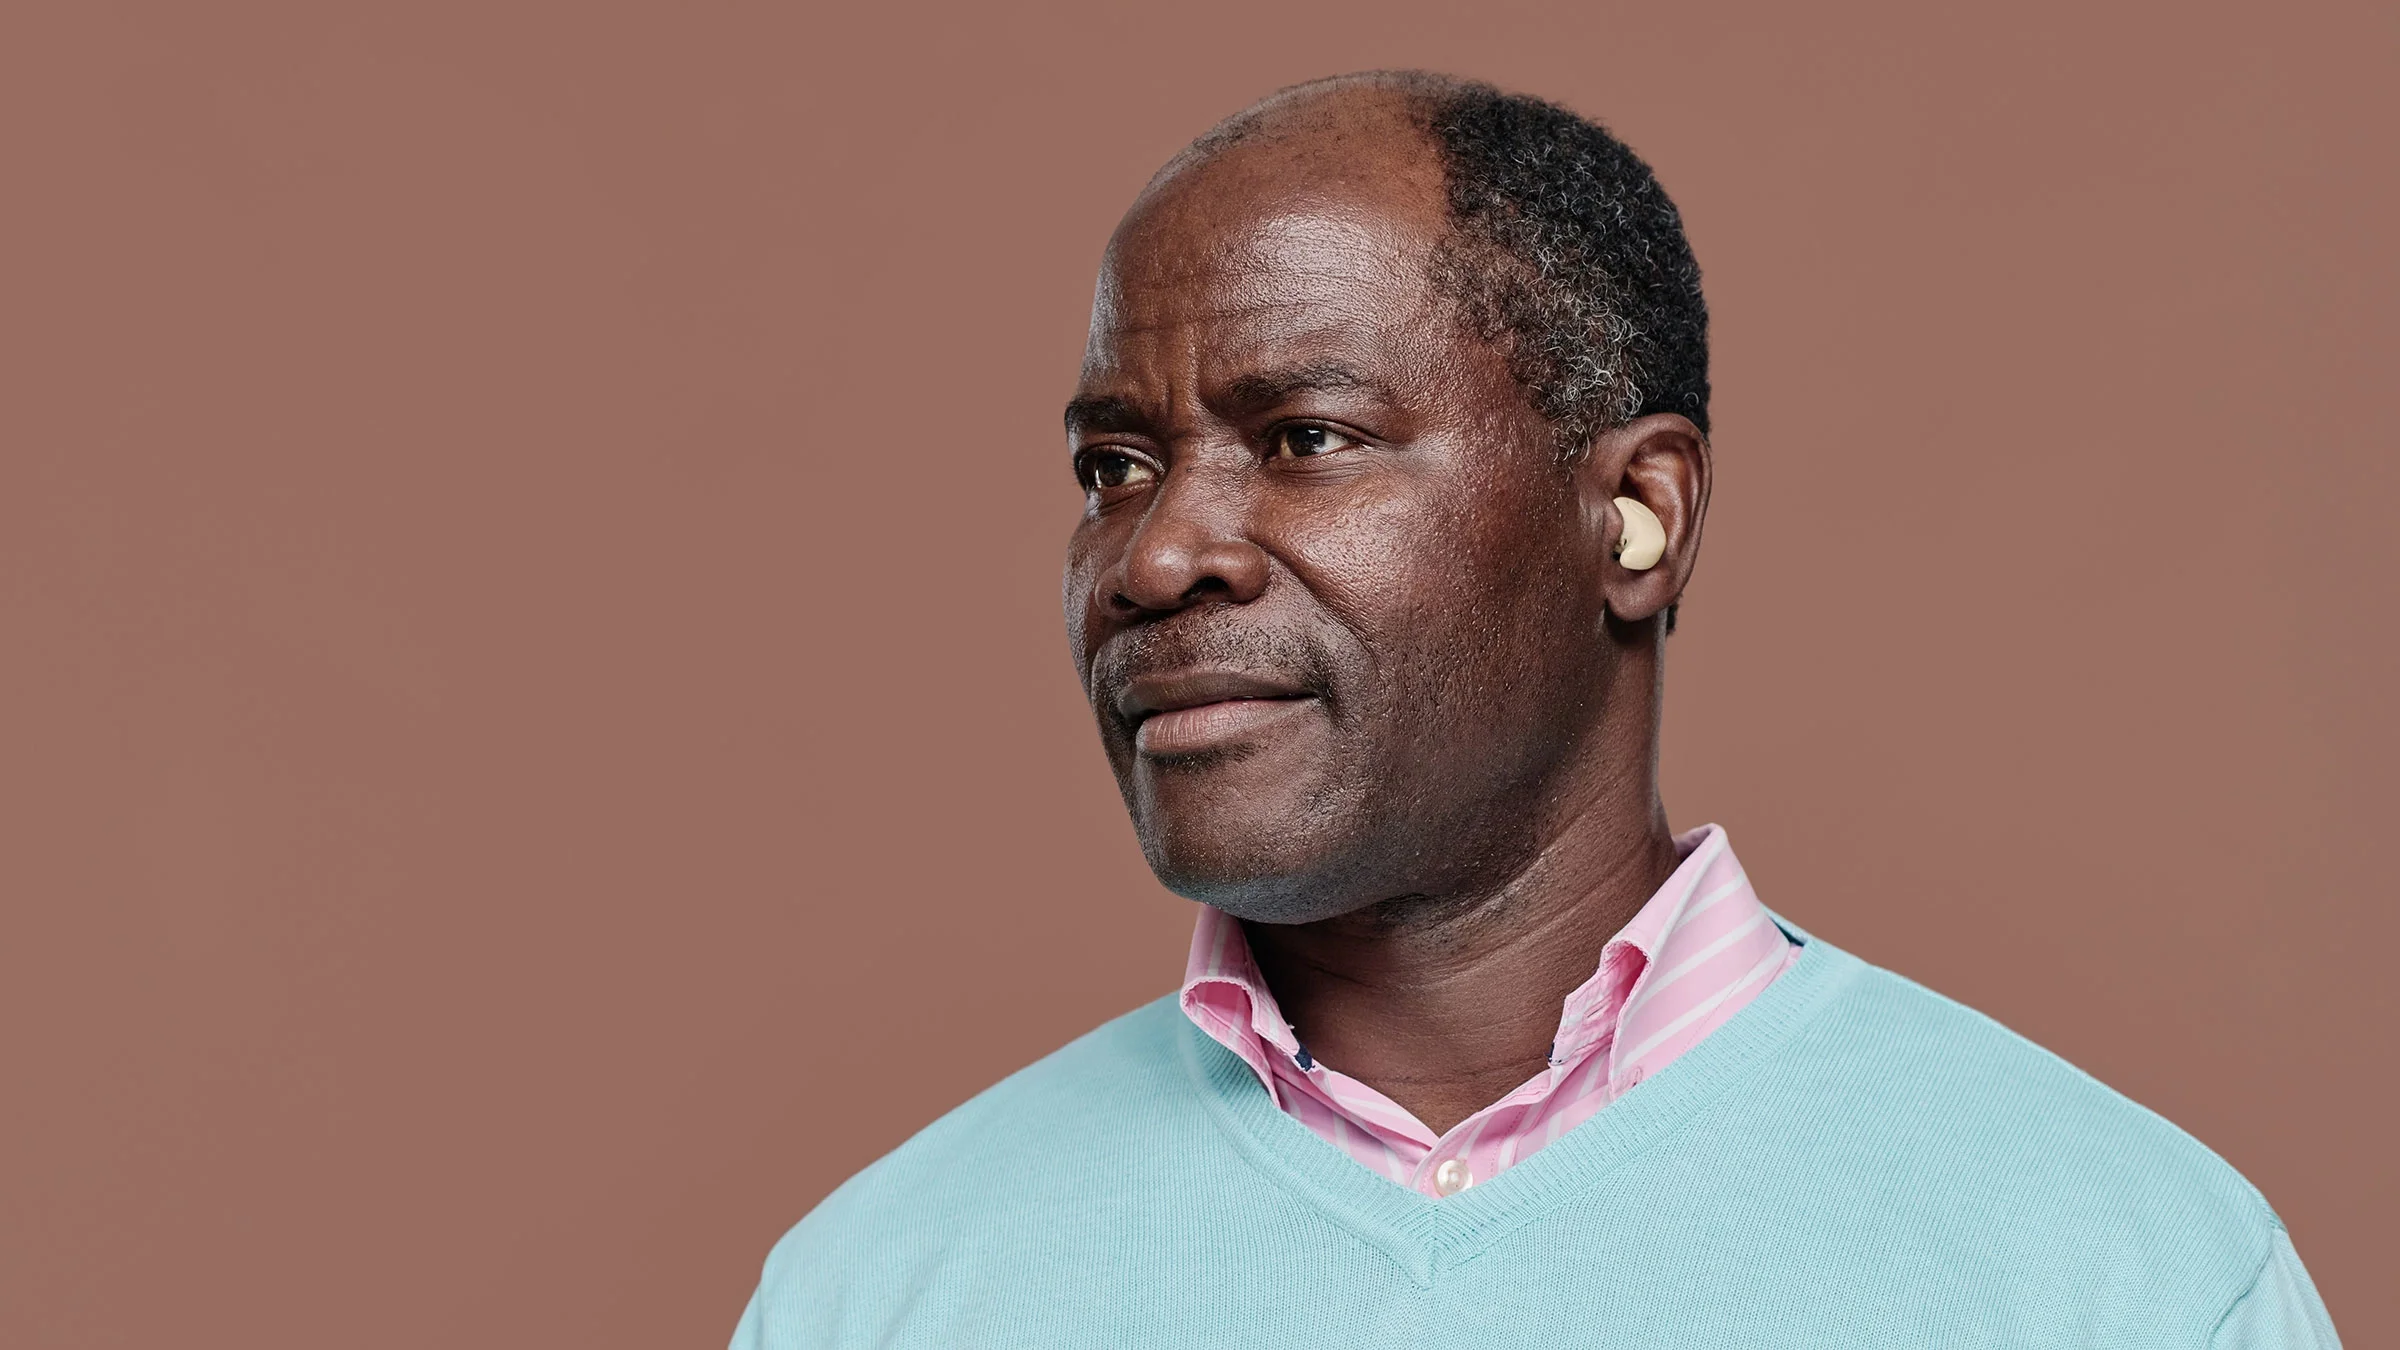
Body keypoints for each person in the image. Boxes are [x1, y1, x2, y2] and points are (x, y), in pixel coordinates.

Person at [731, 71, 2340, 1347]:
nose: (1154, 555)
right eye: (1114, 469)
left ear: (1635, 516)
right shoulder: (876, 1293)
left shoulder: (2120, 1274)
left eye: (1304, 436)